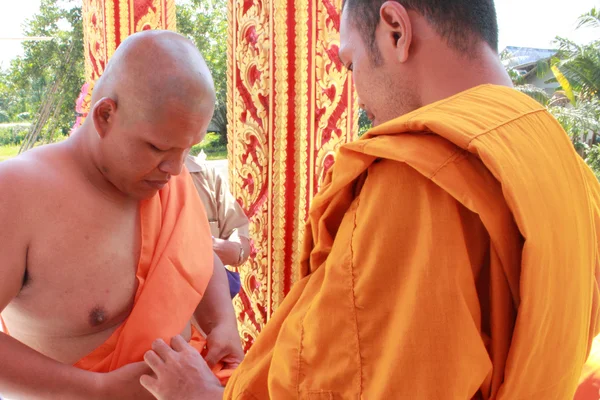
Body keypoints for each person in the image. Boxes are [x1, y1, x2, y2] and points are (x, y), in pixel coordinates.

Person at [141, 1, 600, 399]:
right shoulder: (566, 165)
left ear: (395, 30)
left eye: (350, 64)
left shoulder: (420, 178)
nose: (357, 96)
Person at [0, 30, 243, 399]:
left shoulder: (160, 178)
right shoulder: (17, 194)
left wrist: (222, 322)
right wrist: (98, 389)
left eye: (187, 148)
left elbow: (194, 254)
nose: (176, 169)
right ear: (105, 115)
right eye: (158, 147)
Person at [185, 155, 251, 298]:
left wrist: (235, 251)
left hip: (205, 305)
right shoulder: (134, 182)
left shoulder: (205, 174)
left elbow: (238, 228)